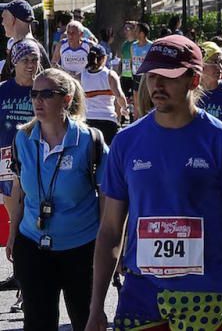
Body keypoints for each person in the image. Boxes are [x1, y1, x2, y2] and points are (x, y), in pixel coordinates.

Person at [87, 35, 222, 331]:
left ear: (194, 80)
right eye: (152, 76)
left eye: (168, 76)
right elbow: (111, 229)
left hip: (204, 299)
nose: (157, 85)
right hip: (140, 299)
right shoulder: (126, 142)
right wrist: (96, 308)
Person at [6, 68, 107, 331]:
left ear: (66, 98)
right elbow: (19, 189)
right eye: (34, 94)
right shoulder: (22, 138)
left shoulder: (89, 140)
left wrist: (110, 247)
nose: (38, 101)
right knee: (38, 323)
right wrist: (13, 232)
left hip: (82, 248)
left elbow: (107, 199)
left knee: (85, 321)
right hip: (33, 245)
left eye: (47, 94)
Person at [0, 41, 42, 295]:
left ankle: (31, 272)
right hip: (5, 159)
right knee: (12, 211)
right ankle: (20, 273)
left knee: (32, 214)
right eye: (25, 59)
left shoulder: (44, 89)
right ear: (14, 62)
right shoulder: (3, 90)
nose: (30, 64)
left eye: (34, 59)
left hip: (37, 159)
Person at [82, 45, 128, 144]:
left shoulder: (81, 76)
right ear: (104, 58)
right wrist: (124, 109)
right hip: (108, 120)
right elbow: (119, 96)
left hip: (88, 121)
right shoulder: (110, 75)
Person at [1, 0, 51, 82]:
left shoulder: (24, 49)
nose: (2, 23)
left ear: (12, 19)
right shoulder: (35, 47)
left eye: (4, 17)